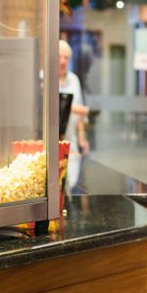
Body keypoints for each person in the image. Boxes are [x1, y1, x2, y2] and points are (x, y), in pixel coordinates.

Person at [59, 40, 89, 191]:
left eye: (66, 57)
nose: (62, 61)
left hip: (72, 144)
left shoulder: (74, 80)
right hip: (53, 144)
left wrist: (82, 138)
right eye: (59, 57)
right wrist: (79, 109)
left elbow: (80, 118)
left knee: (71, 185)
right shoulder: (44, 78)